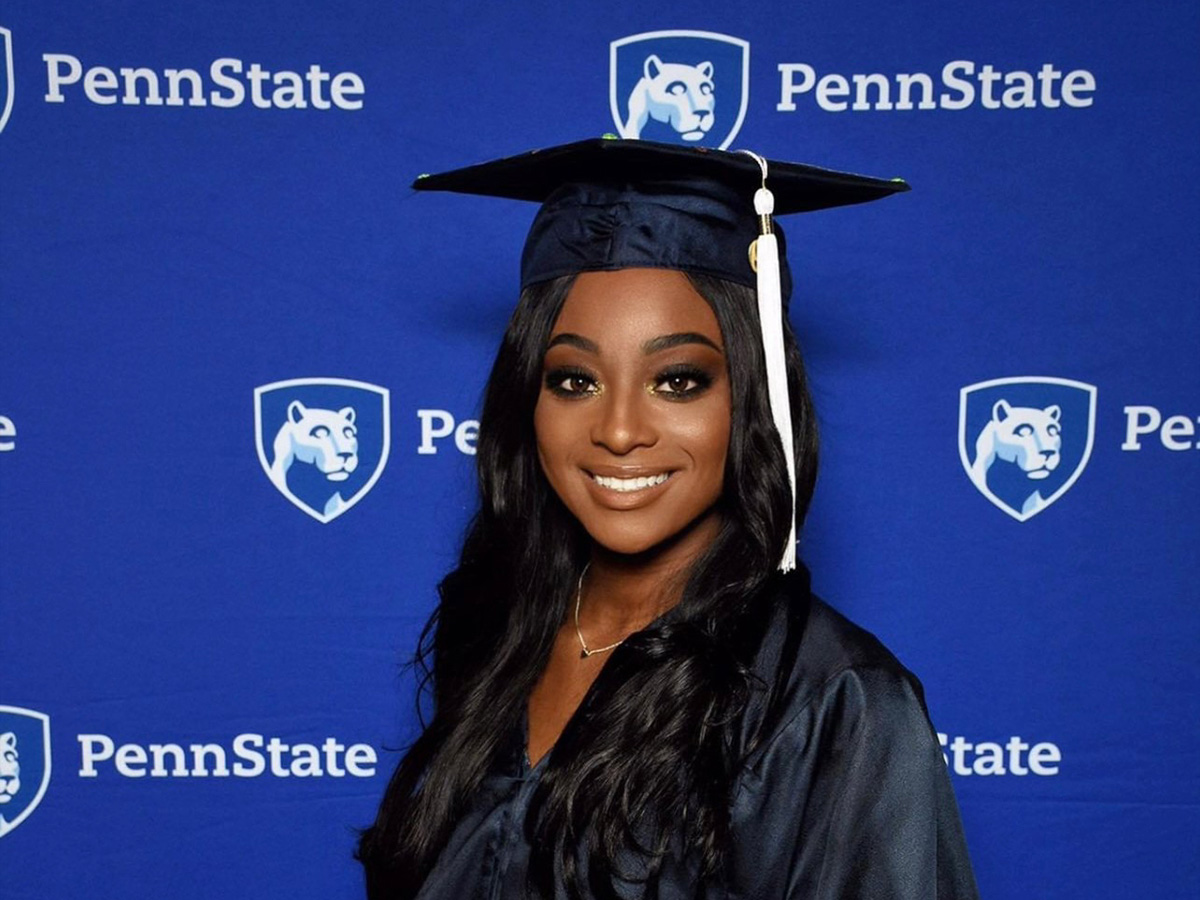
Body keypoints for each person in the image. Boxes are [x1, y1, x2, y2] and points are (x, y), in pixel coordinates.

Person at [358, 137, 979, 899]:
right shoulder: (495, 633)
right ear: (528, 397)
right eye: (574, 379)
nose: (619, 430)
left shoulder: (830, 701)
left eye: (679, 380)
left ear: (751, 397)